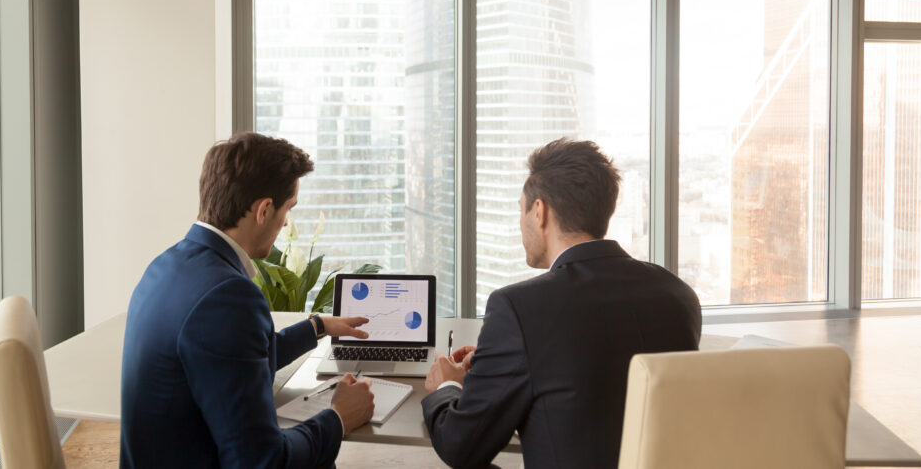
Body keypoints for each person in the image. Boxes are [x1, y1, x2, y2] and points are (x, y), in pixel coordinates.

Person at [421, 138, 701, 468]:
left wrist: (447, 386)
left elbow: (460, 445)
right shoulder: (678, 295)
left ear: (539, 212)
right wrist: (495, 364)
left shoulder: (517, 307)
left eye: (521, 209)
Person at [121, 133, 375, 468]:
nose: (286, 223)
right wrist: (339, 416)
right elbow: (262, 462)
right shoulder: (228, 297)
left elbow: (232, 358)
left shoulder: (167, 267)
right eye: (288, 209)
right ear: (264, 209)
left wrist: (316, 326)